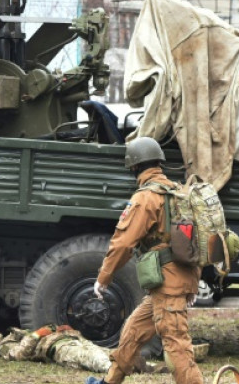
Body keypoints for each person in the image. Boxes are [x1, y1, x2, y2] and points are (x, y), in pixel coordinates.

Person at [85, 137, 203, 384]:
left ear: (134, 166)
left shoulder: (146, 198)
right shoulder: (178, 193)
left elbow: (123, 242)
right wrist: (192, 283)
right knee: (133, 330)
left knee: (176, 345)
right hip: (175, 281)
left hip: (167, 284)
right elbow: (196, 242)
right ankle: (110, 381)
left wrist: (103, 278)